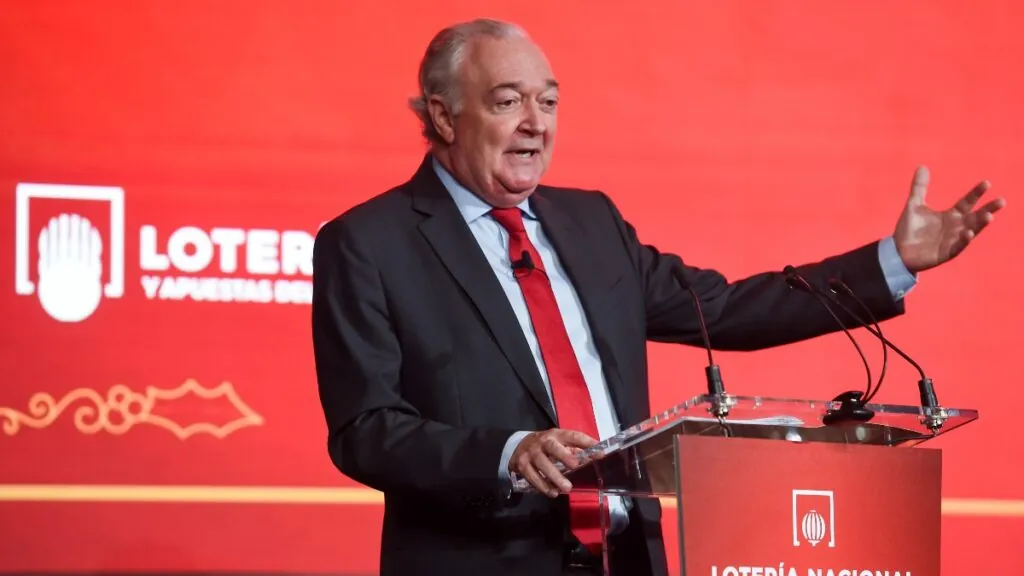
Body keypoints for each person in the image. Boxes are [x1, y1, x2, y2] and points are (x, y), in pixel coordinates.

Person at [311, 18, 1005, 576]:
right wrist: (508, 452)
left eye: (548, 101)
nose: (536, 123)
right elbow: (366, 431)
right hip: (481, 560)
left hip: (629, 558)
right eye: (508, 101)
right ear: (443, 114)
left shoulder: (590, 223)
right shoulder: (369, 243)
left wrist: (892, 263)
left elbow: (725, 308)